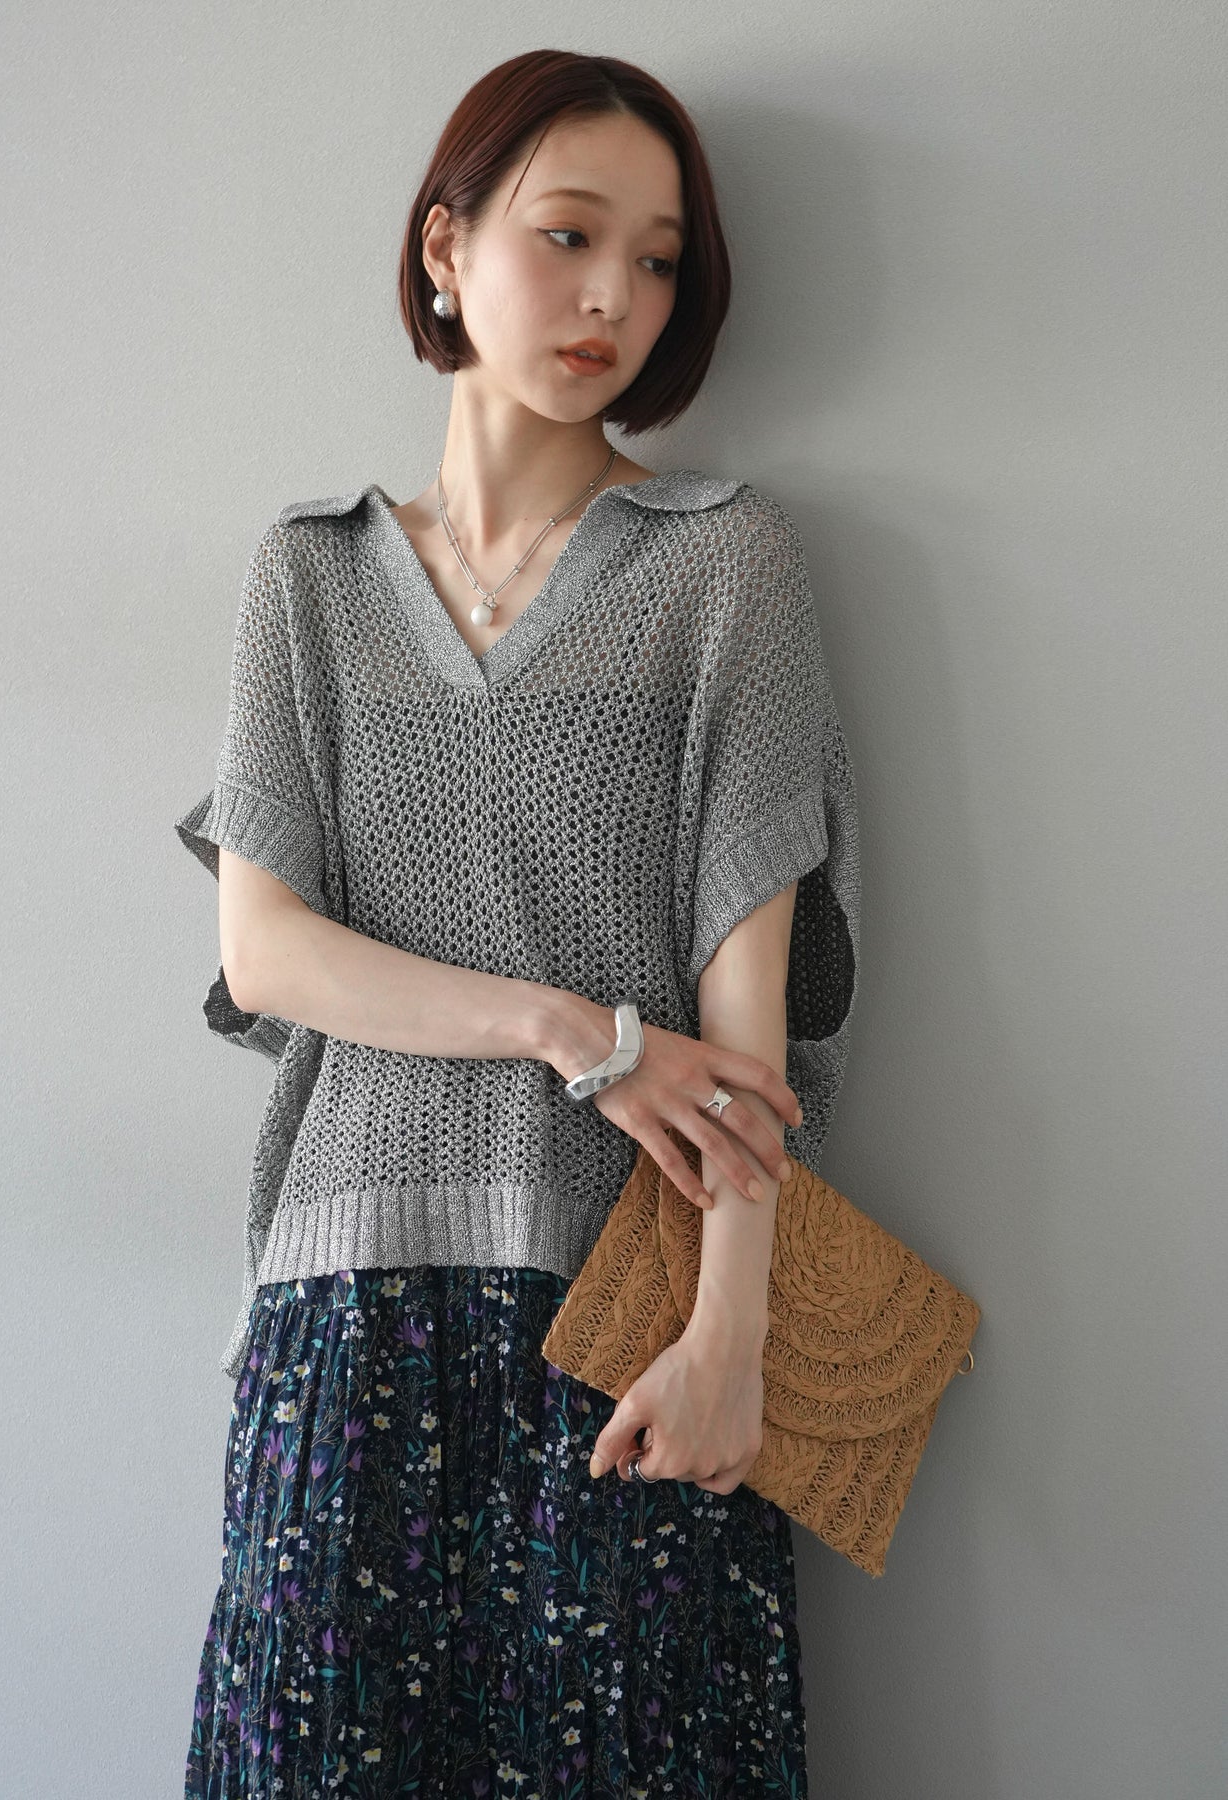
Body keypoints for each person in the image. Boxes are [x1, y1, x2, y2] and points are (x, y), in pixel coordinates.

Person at [176, 47, 860, 1800]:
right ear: (444, 247)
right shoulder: (310, 575)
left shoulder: (726, 565)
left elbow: (750, 1030)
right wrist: (579, 1035)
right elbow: (269, 952)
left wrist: (730, 1344)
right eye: (569, 236)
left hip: (629, 1323)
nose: (613, 296)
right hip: (344, 1314)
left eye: (657, 262)